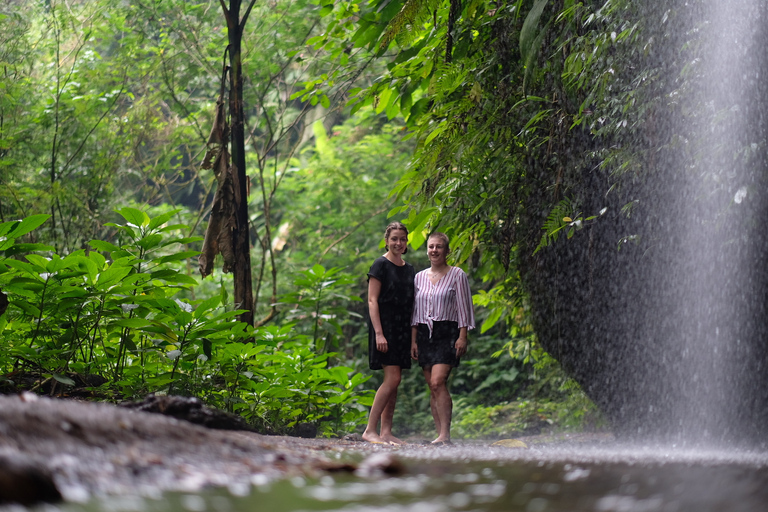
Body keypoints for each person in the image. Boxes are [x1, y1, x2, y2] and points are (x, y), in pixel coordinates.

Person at [410, 232, 475, 445]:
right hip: (424, 333)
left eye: (439, 247)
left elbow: (464, 307)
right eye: (431, 247)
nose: (434, 250)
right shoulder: (419, 277)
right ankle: (440, 436)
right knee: (432, 386)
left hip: (448, 331)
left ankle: (445, 434)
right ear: (426, 249)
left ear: (447, 251)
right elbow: (415, 311)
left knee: (438, 381)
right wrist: (413, 340)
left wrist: (462, 336)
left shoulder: (457, 274)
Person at [361, 222, 415, 444]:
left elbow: (412, 304)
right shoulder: (380, 265)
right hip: (384, 328)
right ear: (386, 240)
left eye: (402, 239)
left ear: (406, 242)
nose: (398, 243)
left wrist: (413, 338)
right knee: (392, 378)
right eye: (394, 238)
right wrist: (379, 333)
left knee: (395, 381)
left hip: (402, 329)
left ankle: (386, 432)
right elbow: (372, 301)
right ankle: (369, 430)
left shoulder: (410, 269)